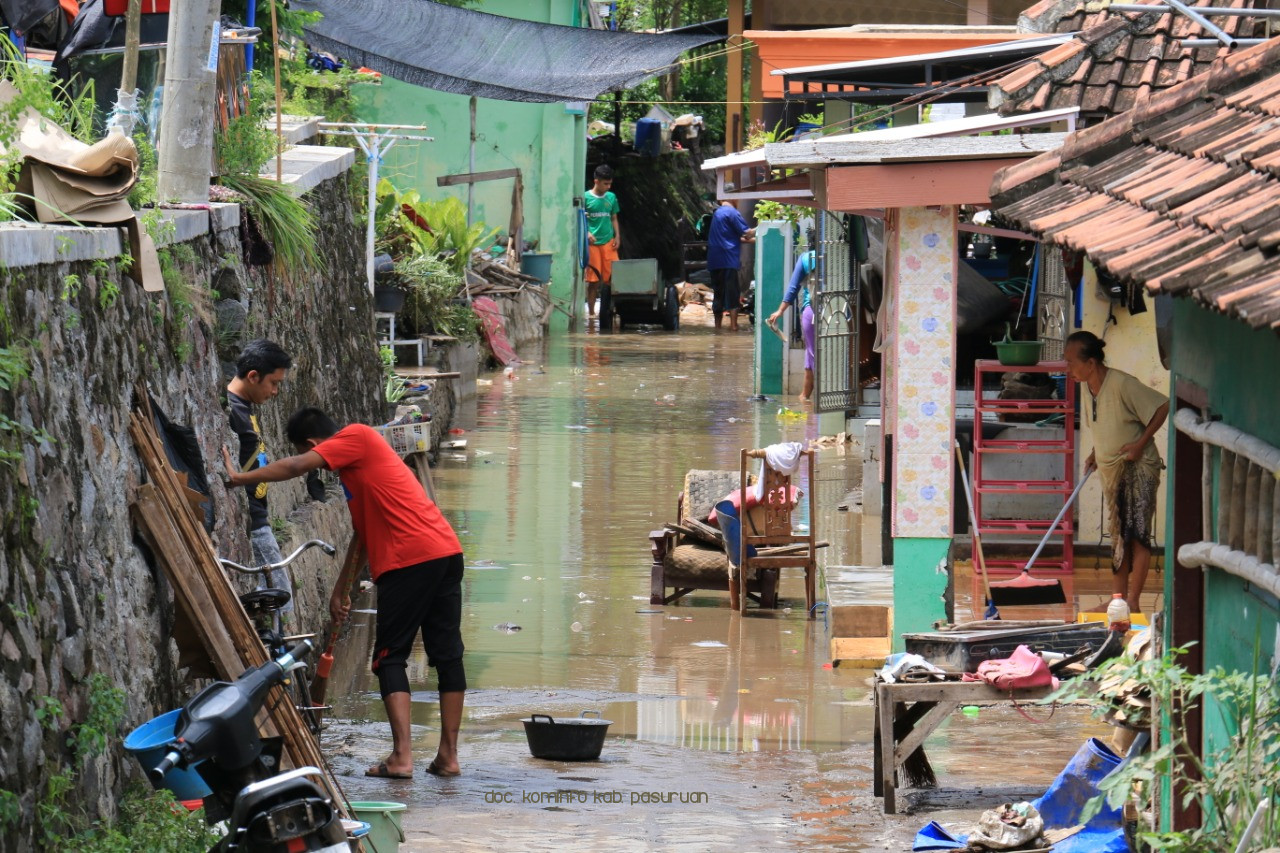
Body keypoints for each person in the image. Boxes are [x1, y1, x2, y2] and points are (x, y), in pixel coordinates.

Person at [223, 408, 466, 779]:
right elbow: (362, 536)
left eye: (317, 459)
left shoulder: (357, 435)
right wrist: (341, 592)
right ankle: (447, 757)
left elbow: (293, 467)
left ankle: (402, 757)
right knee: (448, 656)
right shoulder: (361, 474)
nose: (321, 468)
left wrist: (240, 478)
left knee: (389, 658)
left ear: (314, 444)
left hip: (409, 560)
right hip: (444, 552)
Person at [1064, 331, 1169, 612]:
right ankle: (1117, 601)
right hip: (1111, 471)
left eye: (1071, 362)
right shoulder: (1087, 388)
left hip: (1138, 466)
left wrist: (1139, 444)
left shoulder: (1122, 384)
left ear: (1091, 363)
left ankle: (1132, 602)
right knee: (1119, 536)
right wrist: (1095, 453)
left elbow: (1162, 406)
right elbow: (1105, 426)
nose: (1068, 369)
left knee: (1136, 534)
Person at [226, 339, 294, 616]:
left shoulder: (243, 408)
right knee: (279, 605)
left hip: (257, 518)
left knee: (274, 603)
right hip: (253, 523)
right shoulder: (232, 411)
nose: (275, 391)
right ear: (253, 377)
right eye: (273, 383)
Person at [768, 250, 817, 402]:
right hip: (836, 310)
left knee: (812, 354)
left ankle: (814, 399)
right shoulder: (839, 254)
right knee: (812, 355)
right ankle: (805, 397)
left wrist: (780, 311)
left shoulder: (807, 258)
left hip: (812, 312)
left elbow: (793, 287)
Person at [706, 199, 755, 331]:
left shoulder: (716, 214)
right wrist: (763, 228)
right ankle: (733, 326)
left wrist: (753, 240)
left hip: (714, 260)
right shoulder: (732, 212)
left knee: (718, 294)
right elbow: (747, 233)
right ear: (734, 198)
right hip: (728, 260)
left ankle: (717, 328)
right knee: (732, 293)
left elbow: (731, 237)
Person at [583, 164, 621, 320]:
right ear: (596, 181)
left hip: (609, 243)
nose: (608, 186)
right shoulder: (585, 198)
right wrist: (586, 233)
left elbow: (614, 218)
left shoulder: (611, 197)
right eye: (605, 183)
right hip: (593, 245)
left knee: (615, 279)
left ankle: (615, 311)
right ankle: (592, 313)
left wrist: (618, 236)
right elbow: (579, 218)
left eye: (610, 183)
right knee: (593, 281)